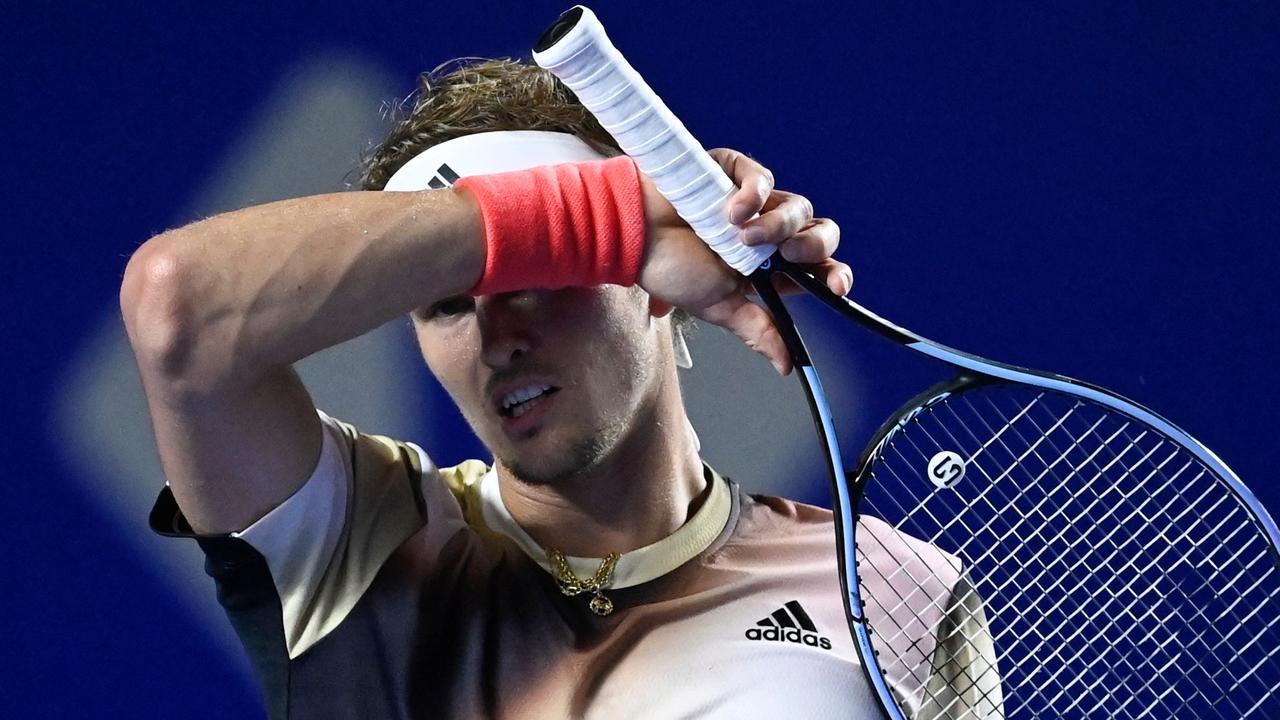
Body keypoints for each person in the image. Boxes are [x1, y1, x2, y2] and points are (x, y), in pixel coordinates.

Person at [122, 59, 998, 719]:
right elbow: (178, 308)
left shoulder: (891, 587)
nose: (499, 338)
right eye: (447, 305)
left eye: (541, 276)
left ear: (654, 282)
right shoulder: (352, 543)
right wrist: (611, 215)